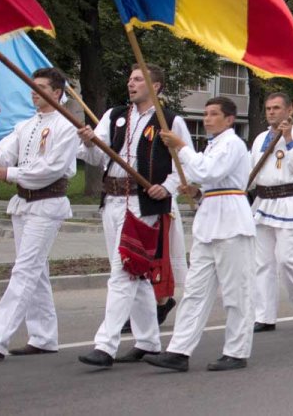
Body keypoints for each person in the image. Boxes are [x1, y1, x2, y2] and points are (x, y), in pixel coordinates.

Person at [76, 65, 193, 369]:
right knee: (137, 273)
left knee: (123, 271)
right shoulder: (114, 115)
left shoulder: (170, 121)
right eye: (130, 79)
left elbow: (186, 164)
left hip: (144, 204)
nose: (131, 83)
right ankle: (149, 342)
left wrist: (167, 187)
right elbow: (96, 157)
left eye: (139, 79)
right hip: (113, 200)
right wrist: (89, 141)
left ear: (157, 86)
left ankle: (105, 345)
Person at [144, 96, 255, 372]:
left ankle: (236, 351)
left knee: (236, 293)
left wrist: (181, 147)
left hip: (232, 222)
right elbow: (207, 181)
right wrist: (196, 192)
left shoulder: (233, 143)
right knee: (194, 291)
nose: (207, 119)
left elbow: (209, 171)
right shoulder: (212, 146)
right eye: (205, 114)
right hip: (208, 223)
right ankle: (179, 350)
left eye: (214, 114)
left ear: (229, 119)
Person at [0, 68, 79, 359]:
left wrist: (9, 173)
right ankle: (44, 337)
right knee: (36, 270)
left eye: (41, 87)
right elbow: (1, 155)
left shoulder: (67, 126)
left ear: (57, 93)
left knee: (24, 270)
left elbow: (52, 169)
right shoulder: (25, 125)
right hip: (23, 204)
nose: (34, 92)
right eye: (32, 86)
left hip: (47, 204)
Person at [248, 92, 293, 332]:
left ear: (289, 109)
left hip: (289, 201)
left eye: (276, 108)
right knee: (263, 262)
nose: (271, 112)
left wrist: (288, 138)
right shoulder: (260, 138)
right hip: (263, 202)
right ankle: (264, 316)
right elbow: (251, 171)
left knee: (285, 258)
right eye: (268, 108)